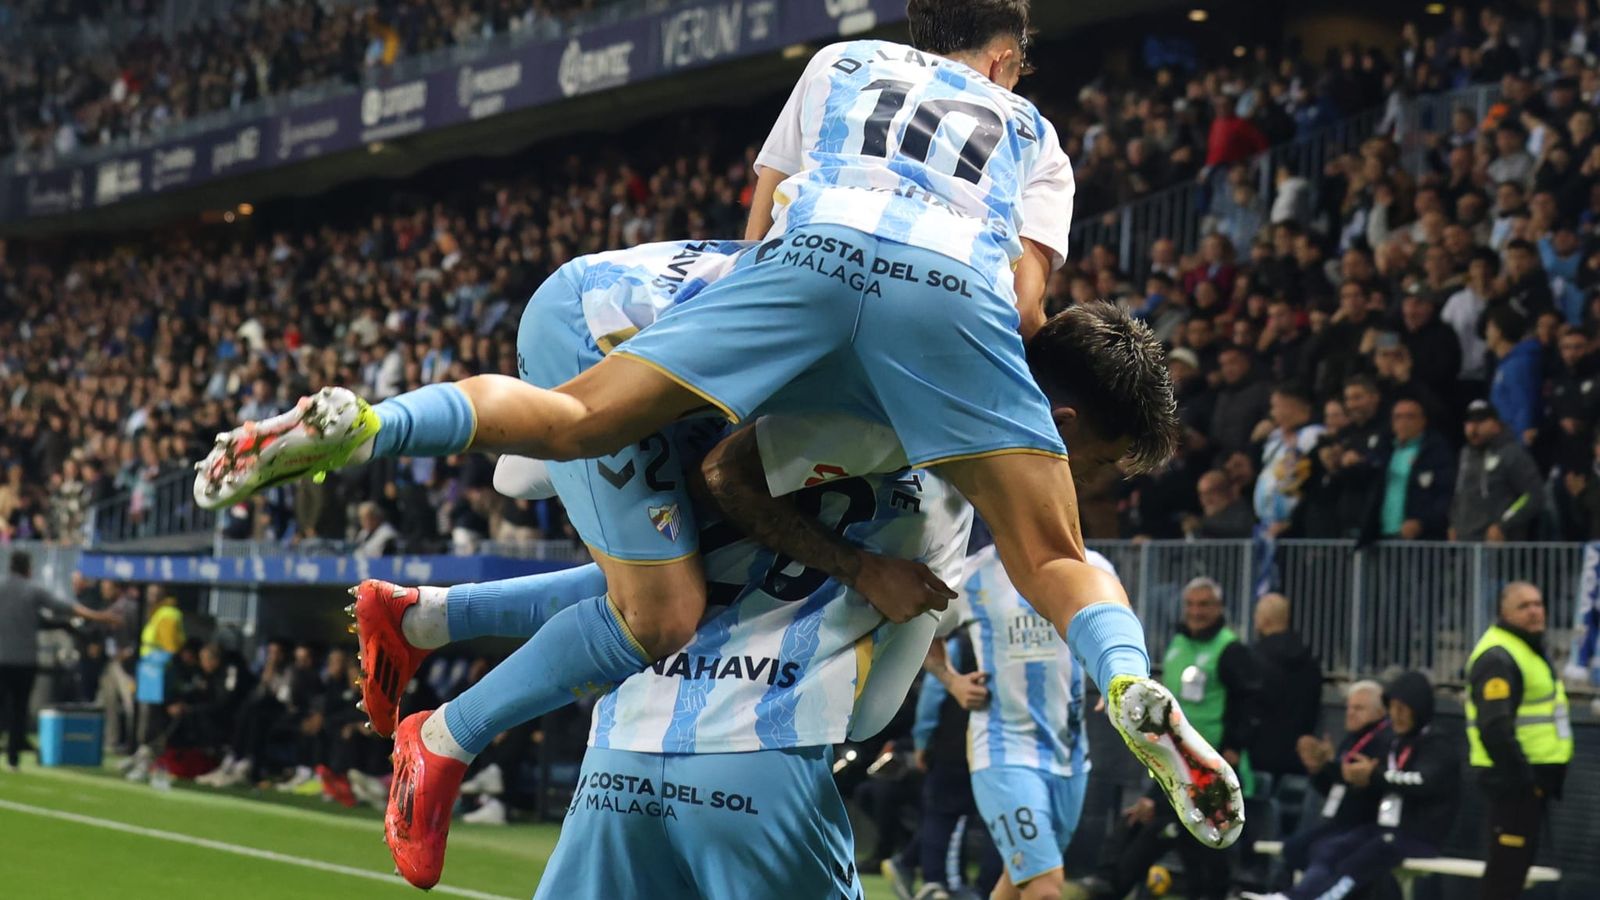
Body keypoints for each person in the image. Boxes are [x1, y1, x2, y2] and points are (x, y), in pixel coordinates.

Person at [193, 0, 1240, 860]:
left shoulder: (842, 61)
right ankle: (1123, 678)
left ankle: (371, 432)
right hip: (777, 305)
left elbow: (760, 231)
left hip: (775, 266)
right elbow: (1021, 307)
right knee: (675, 608)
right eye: (1099, 456)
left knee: (584, 432)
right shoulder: (1031, 133)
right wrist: (956, 402)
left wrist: (757, 357)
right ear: (1006, 62)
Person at [371, 411, 976, 897]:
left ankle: (434, 622)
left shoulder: (735, 410)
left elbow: (515, 475)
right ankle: (444, 684)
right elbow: (870, 715)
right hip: (763, 754)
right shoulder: (946, 498)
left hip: (621, 750)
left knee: (644, 586)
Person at [926, 544, 1115, 900]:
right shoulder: (970, 575)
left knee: (1019, 881)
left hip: (1071, 755)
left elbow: (1118, 627)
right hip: (1002, 750)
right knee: (1044, 886)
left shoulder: (1092, 567)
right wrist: (952, 681)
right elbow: (921, 629)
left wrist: (1115, 676)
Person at [1074, 577, 1262, 900]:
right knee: (1160, 825)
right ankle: (1109, 882)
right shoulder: (1177, 645)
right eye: (1191, 605)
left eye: (1204, 605)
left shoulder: (1230, 649)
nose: (1196, 612)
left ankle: (1111, 883)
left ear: (1219, 608)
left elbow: (1250, 703)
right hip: (1172, 757)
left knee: (1182, 833)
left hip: (1211, 765)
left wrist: (1234, 746)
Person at [1244, 670, 1460, 900]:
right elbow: (1353, 781)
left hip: (1418, 835)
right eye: (1393, 707)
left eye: (1403, 709)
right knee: (1326, 848)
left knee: (1359, 858)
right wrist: (1324, 768)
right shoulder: (1392, 743)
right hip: (1385, 828)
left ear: (1418, 709)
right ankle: (1291, 894)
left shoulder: (1436, 744)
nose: (1396, 715)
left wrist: (1373, 776)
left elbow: (1421, 781)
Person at [1465, 582, 1571, 900]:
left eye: (1538, 604)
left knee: (1512, 873)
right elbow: (1494, 727)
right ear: (1504, 612)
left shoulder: (1526, 648)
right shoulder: (1499, 656)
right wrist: (1524, 780)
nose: (1535, 611)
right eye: (1523, 606)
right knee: (1504, 877)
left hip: (1530, 783)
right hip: (1513, 784)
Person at [0, 551, 117, 770]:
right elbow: (65, 608)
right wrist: (101, 617)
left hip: (2, 658)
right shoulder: (33, 590)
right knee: (19, 709)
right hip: (25, 661)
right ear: (27, 568)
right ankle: (13, 759)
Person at [1283, 681, 1391, 884]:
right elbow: (1334, 788)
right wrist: (1319, 770)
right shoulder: (1352, 740)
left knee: (1321, 850)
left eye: (1359, 708)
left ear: (1379, 711)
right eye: (1348, 707)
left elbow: (1364, 789)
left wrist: (1333, 768)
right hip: (1339, 822)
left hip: (1364, 825)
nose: (1350, 713)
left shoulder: (1385, 741)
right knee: (1293, 848)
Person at [1248, 594, 1322, 786]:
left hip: (1258, 755)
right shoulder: (1309, 660)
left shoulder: (1254, 659)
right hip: (1297, 755)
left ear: (1264, 620)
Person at [1450, 401, 1544, 542]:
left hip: (1499, 545)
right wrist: (1454, 523)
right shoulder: (1466, 454)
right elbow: (1459, 492)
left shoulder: (1512, 454)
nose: (1474, 428)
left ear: (1495, 424)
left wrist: (1503, 525)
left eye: (1480, 421)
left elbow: (1533, 495)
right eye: (1470, 422)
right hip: (1465, 542)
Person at [1377, 398, 1455, 541]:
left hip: (1420, 538)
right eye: (1398, 417)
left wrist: (1422, 522)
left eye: (1410, 416)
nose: (1403, 422)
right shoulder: (1385, 449)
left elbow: (1445, 493)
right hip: (1381, 535)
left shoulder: (1436, 451)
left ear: (1423, 421)